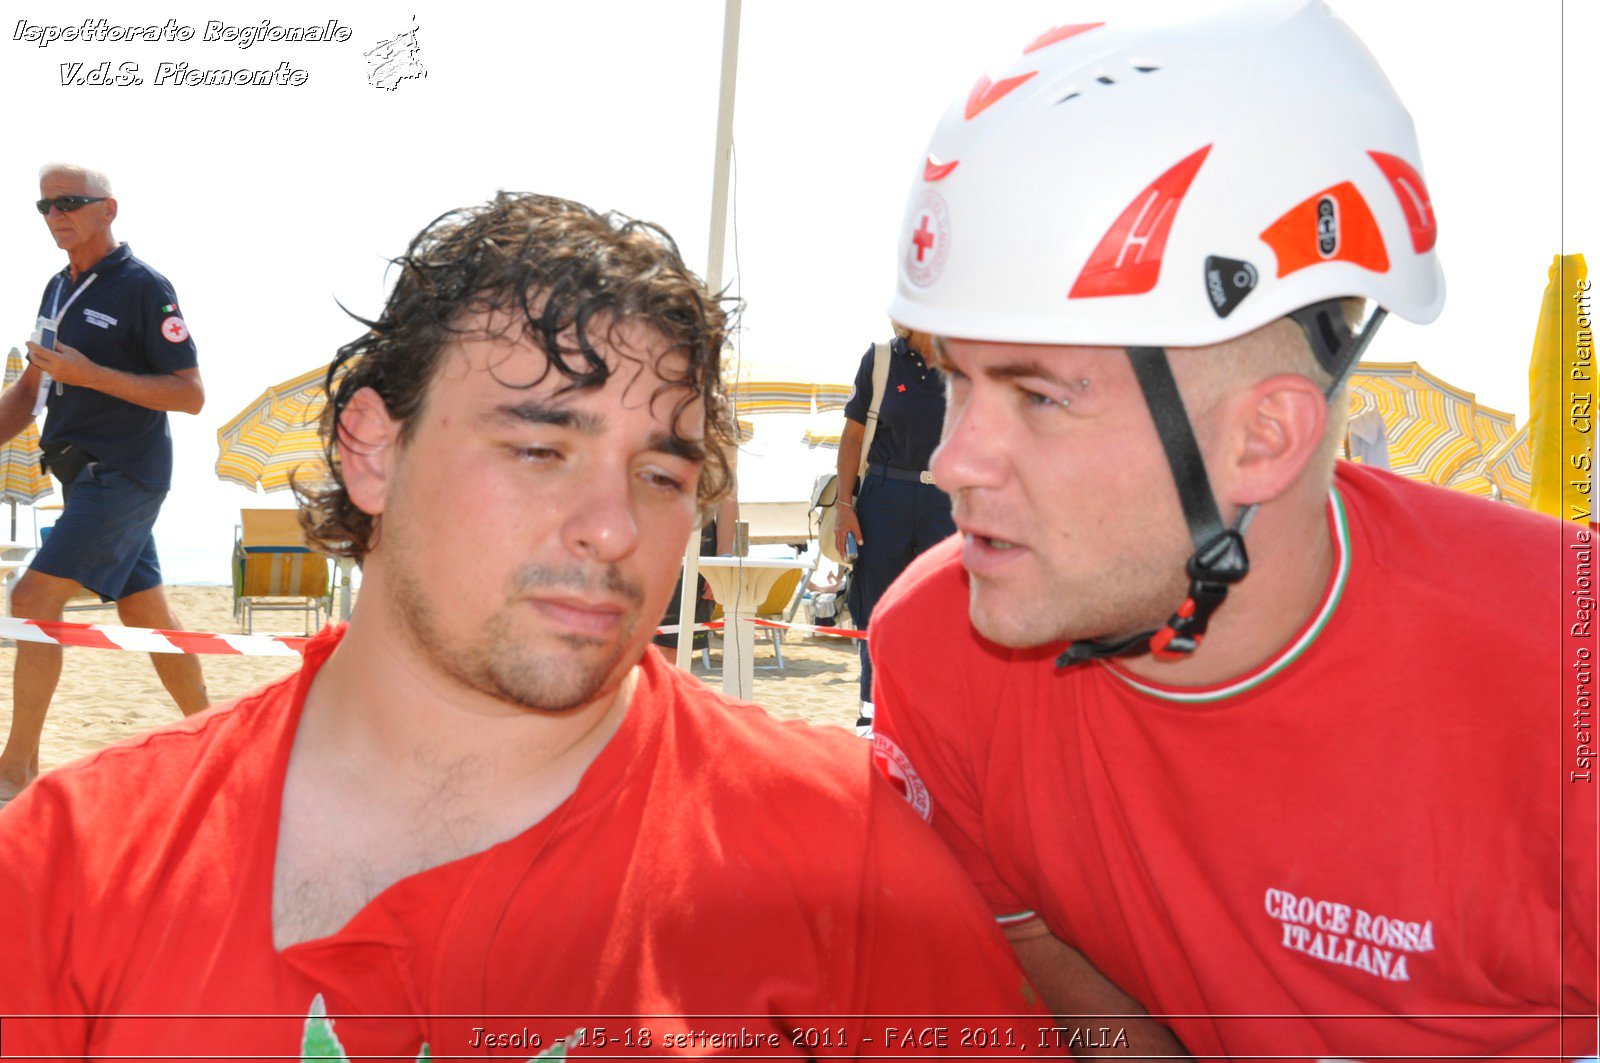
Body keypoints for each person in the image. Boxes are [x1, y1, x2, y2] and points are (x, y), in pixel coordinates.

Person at [0, 192, 1047, 1059]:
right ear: (369, 450)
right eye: (540, 450)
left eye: (661, 472)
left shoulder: (840, 853)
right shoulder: (68, 868)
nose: (612, 526)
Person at [869, 2, 1597, 1058]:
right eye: (953, 381)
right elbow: (1069, 982)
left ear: (1263, 439)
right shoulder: (936, 644)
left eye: (1039, 398)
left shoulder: (1561, 666)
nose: (950, 463)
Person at [0, 163, 208, 804]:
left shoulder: (145, 287)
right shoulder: (55, 289)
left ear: (108, 209)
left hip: (125, 476)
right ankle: (212, 747)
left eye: (69, 202)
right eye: (44, 206)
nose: (55, 215)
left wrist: (91, 376)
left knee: (31, 602)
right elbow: (31, 392)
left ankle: (13, 775)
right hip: (82, 474)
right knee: (149, 616)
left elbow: (191, 394)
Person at [832, 325, 954, 735]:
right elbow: (852, 437)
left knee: (943, 609)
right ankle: (872, 712)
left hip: (947, 499)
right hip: (885, 495)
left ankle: (932, 718)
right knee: (878, 606)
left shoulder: (965, 359)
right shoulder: (881, 359)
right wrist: (844, 505)